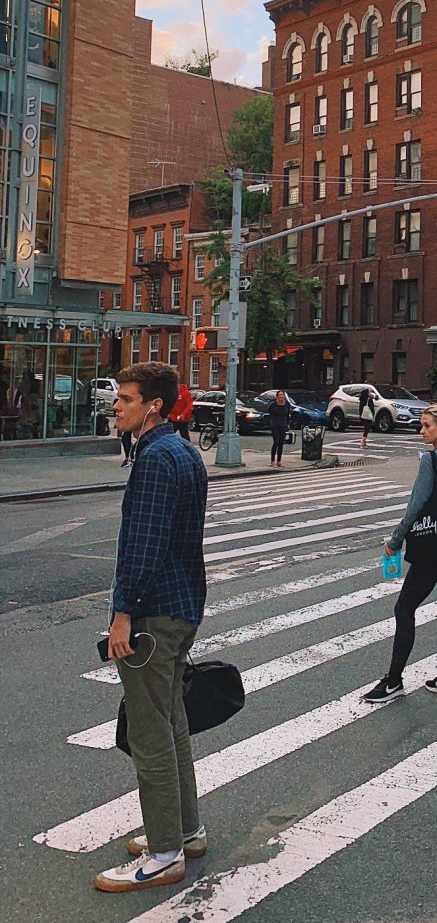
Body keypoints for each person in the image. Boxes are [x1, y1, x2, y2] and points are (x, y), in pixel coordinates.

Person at [93, 363, 207, 893]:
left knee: (149, 734)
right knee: (172, 720)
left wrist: (122, 612)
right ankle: (186, 830)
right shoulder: (182, 451)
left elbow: (144, 543)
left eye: (128, 398)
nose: (117, 406)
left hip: (153, 611)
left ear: (155, 405)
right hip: (182, 604)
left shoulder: (155, 458)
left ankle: (164, 854)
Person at [361, 404, 437, 703]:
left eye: (426, 426)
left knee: (404, 608)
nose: (422, 431)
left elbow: (416, 505)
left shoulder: (431, 460)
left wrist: (395, 540)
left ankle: (394, 680)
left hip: (434, 546)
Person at [267, 389, 291, 467]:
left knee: (281, 443)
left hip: (283, 425)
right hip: (275, 425)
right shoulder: (273, 405)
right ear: (277, 397)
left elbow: (287, 415)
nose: (281, 396)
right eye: (280, 395)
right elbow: (269, 413)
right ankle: (272, 461)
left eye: (282, 395)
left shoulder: (287, 404)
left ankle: (279, 461)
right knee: (276, 442)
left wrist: (288, 425)